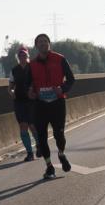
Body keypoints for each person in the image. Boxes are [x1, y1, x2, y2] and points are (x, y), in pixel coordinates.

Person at [29, 33, 76, 180]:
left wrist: (62, 89)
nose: (43, 44)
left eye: (45, 41)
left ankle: (61, 154)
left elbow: (71, 79)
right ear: (36, 46)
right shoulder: (32, 64)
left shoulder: (60, 59)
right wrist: (30, 92)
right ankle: (49, 167)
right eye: (40, 42)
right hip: (40, 105)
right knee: (41, 137)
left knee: (59, 134)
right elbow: (27, 83)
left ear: (49, 44)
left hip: (57, 103)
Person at [9, 45, 37, 162]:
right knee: (23, 126)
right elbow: (10, 86)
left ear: (27, 56)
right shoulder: (14, 70)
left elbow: (38, 81)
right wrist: (11, 91)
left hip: (31, 101)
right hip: (19, 101)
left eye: (24, 55)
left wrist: (32, 89)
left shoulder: (33, 67)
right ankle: (29, 152)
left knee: (33, 126)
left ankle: (40, 145)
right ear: (17, 57)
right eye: (20, 55)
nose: (22, 57)